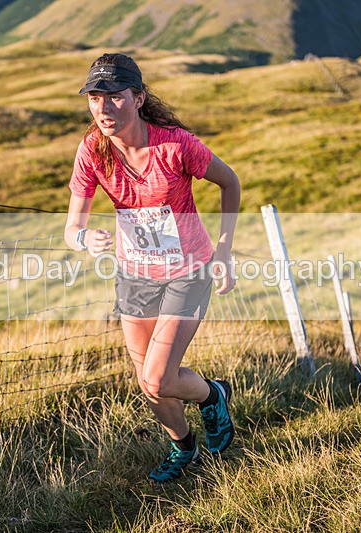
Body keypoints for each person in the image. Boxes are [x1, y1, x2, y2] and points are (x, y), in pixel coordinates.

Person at [64, 53, 241, 483]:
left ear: (138, 98)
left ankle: (213, 395)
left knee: (160, 376)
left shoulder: (176, 145)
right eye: (94, 98)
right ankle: (184, 448)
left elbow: (230, 182)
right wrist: (86, 239)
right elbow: (73, 228)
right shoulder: (92, 151)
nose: (103, 109)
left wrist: (224, 250)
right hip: (135, 275)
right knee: (148, 383)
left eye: (114, 97)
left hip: (188, 269)